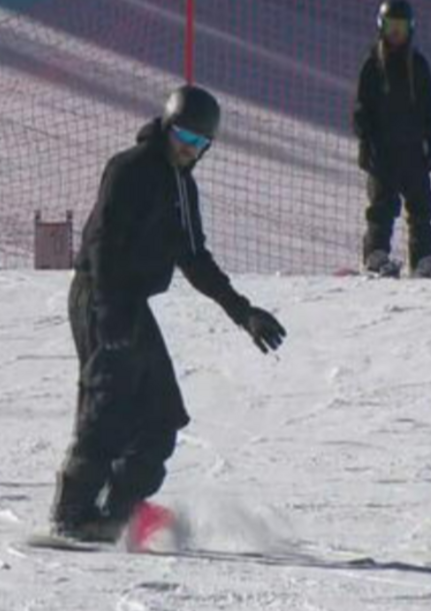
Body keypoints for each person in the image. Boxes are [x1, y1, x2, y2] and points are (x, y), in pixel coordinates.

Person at [49, 84, 287, 543]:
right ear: (165, 127)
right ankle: (72, 512)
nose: (187, 148)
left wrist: (244, 313)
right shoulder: (129, 169)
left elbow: (195, 260)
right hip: (100, 296)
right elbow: (100, 242)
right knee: (107, 404)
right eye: (182, 136)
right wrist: (110, 312)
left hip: (131, 303)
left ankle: (116, 511)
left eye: (199, 143)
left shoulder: (183, 187)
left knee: (162, 415)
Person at [353, 0, 431, 278]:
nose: (396, 34)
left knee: (422, 206)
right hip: (382, 153)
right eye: (390, 27)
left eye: (401, 27)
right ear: (381, 28)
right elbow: (361, 109)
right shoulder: (374, 64)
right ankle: (376, 256)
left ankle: (422, 259)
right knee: (382, 207)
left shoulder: (418, 65)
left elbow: (430, 110)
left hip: (412, 152)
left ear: (410, 29)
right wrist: (365, 143)